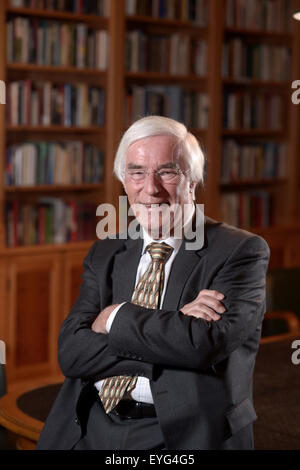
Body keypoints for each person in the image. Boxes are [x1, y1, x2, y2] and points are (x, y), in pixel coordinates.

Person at [36, 116, 270, 450]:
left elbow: (203, 345)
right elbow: (72, 354)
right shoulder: (106, 252)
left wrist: (114, 317)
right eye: (137, 172)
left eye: (167, 171)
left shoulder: (240, 251)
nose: (150, 188)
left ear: (192, 181)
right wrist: (173, 327)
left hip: (182, 435)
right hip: (92, 423)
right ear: (124, 180)